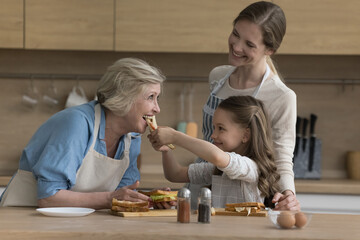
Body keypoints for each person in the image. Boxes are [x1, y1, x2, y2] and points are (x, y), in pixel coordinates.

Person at [0, 57, 174, 210]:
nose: (157, 108)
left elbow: (122, 195)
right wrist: (110, 199)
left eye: (157, 98)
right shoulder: (78, 123)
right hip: (24, 218)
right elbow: (48, 197)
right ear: (124, 95)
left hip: (76, 223)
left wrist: (148, 199)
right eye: (150, 97)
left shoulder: (131, 137)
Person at [193, 1, 299, 210]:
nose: (237, 46)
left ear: (270, 49)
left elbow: (282, 157)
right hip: (202, 182)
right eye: (235, 34)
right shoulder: (217, 77)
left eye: (249, 44)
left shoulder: (282, 96)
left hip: (243, 197)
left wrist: (289, 195)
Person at [148, 95, 280, 207]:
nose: (213, 135)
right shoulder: (217, 170)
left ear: (245, 135)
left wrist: (175, 136)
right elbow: (174, 174)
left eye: (221, 128)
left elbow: (217, 157)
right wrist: (166, 150)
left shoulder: (251, 167)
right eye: (214, 127)